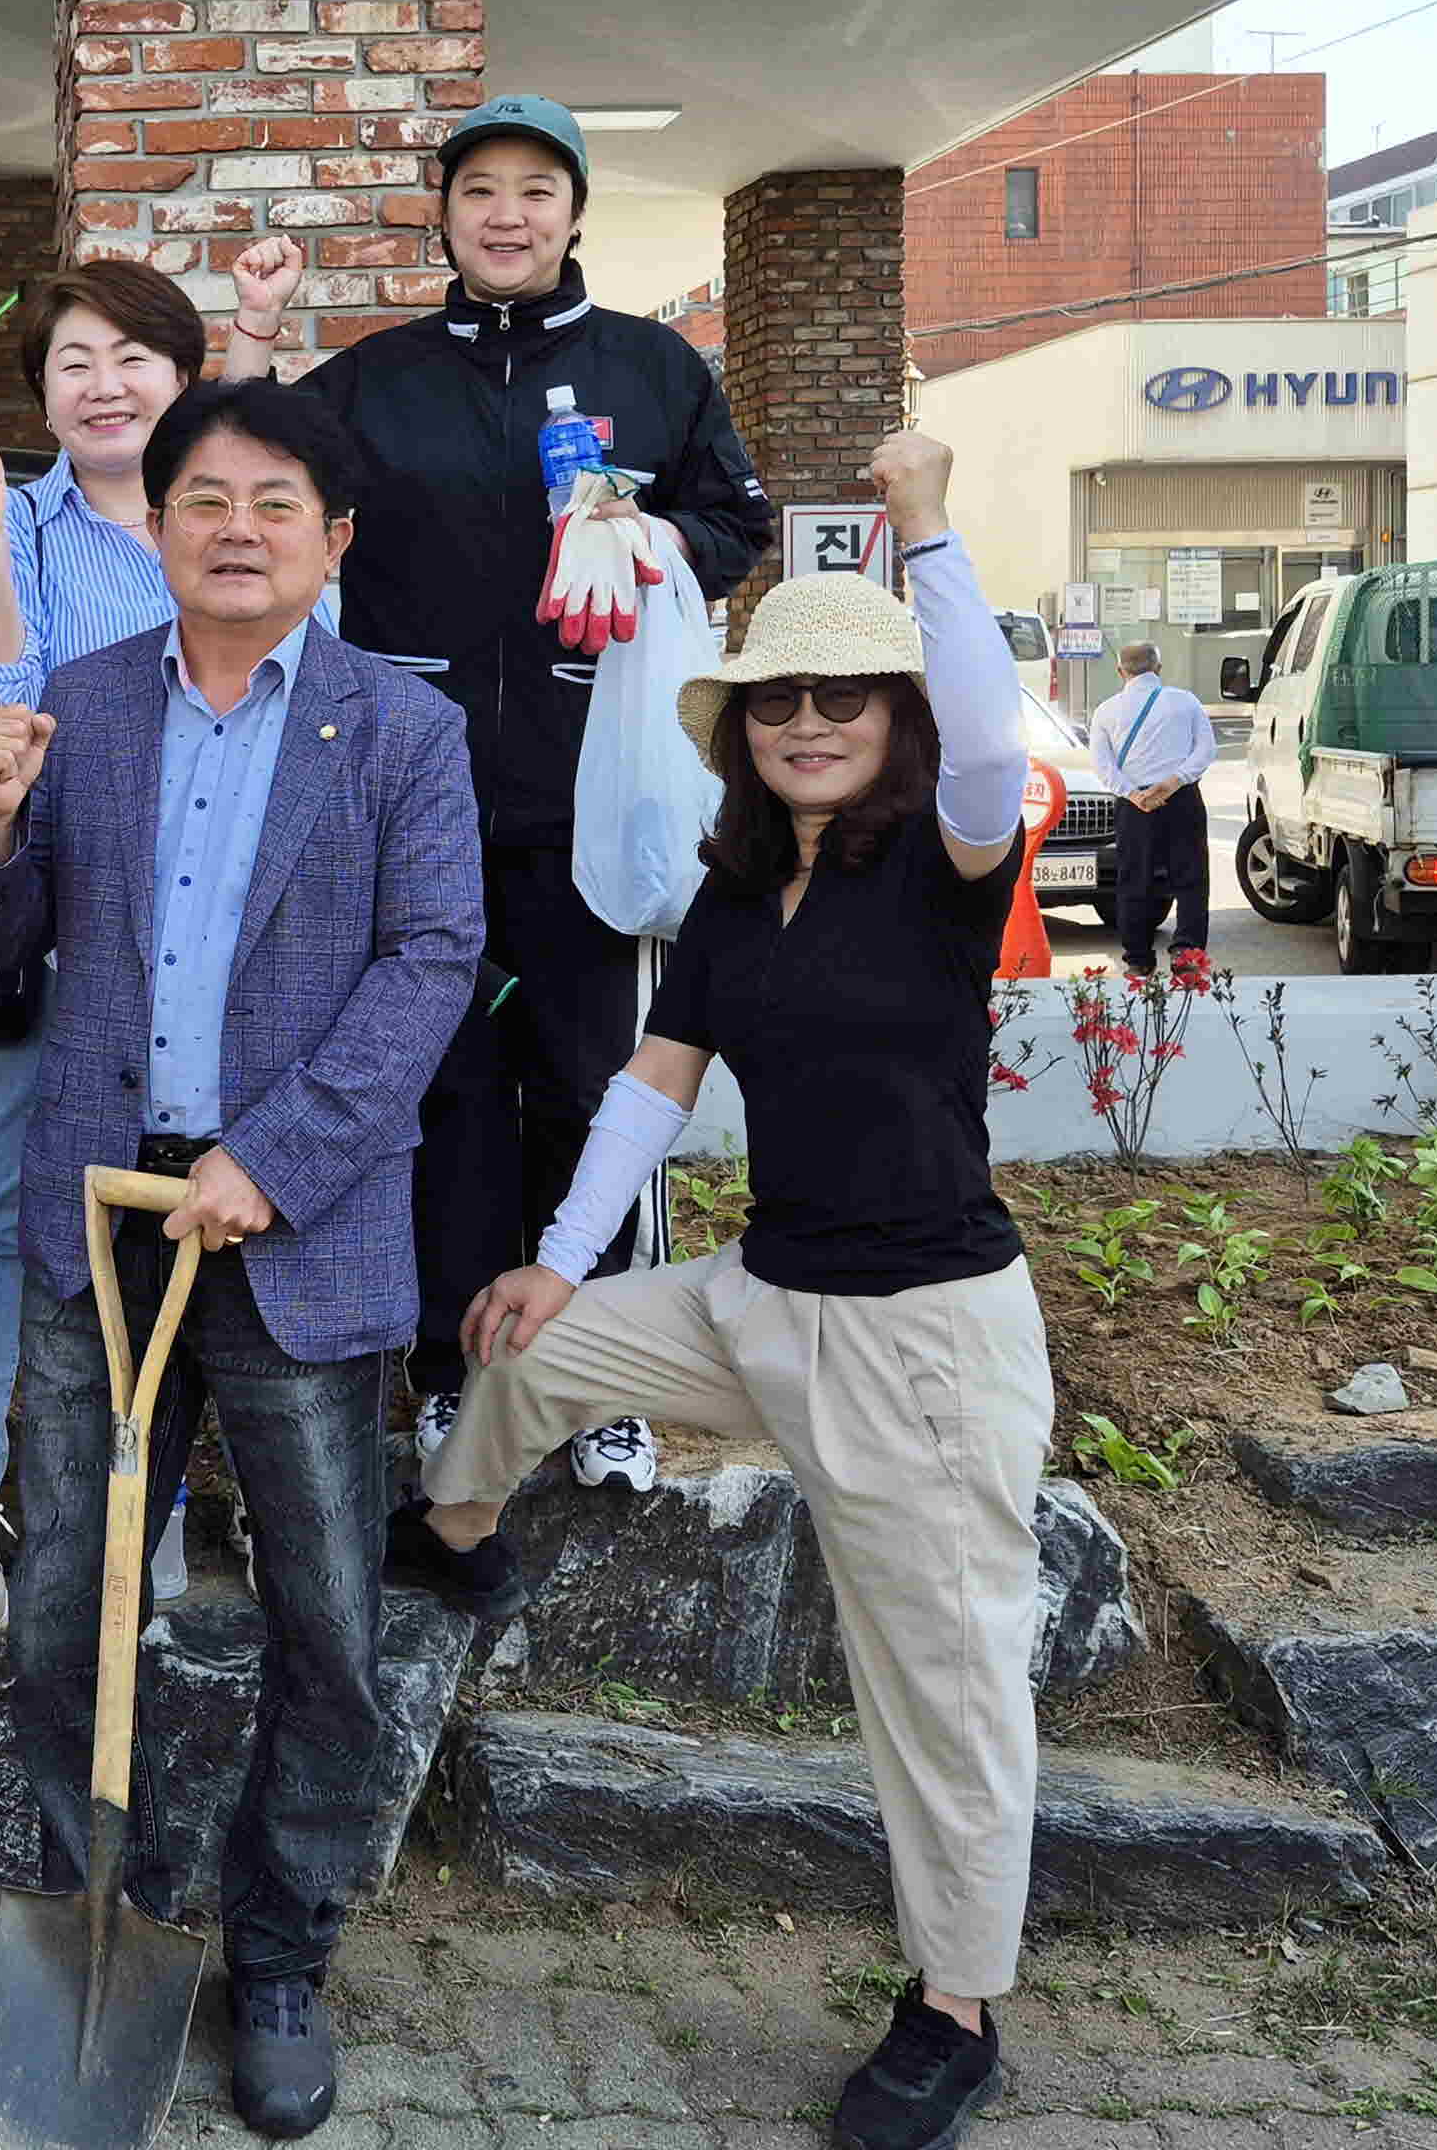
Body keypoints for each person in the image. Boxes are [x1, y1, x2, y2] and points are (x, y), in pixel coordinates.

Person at [395, 432, 1049, 2150]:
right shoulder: (738, 888)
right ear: (740, 729)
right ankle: (452, 1534)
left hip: (919, 1341)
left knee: (941, 1681)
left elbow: (989, 737)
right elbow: (647, 1083)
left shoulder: (945, 860)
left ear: (891, 715)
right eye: (777, 700)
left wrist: (930, 529)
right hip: (756, 1296)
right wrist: (552, 1260)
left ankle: (954, 2006)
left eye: (844, 694)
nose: (808, 720)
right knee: (521, 1349)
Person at [0, 378, 480, 2139]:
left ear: (332, 540)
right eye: (200, 498)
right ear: (155, 528)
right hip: (94, 1219)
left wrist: (280, 1152)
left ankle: (277, 1948)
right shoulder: (80, 707)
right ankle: (89, 1915)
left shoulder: (398, 730)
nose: (233, 525)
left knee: (323, 1617)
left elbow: (432, 963)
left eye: (273, 499)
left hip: (291, 1229)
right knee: (59, 1609)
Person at [223, 94, 773, 1486]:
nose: (509, 213)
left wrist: (641, 536)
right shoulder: (373, 381)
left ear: (574, 210)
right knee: (441, 1089)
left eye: (537, 188)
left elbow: (736, 517)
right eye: (480, 190)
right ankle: (444, 1368)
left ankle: (605, 1375)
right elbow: (257, 486)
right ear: (446, 214)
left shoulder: (652, 368)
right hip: (413, 799)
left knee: (595, 1088)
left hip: (597, 796)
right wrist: (254, 335)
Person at [0, 258, 208, 1640]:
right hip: (52, 912)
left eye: (131, 357)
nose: (101, 384)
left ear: (181, 377)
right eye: (72, 360)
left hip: (209, 921)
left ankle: (153, 1496)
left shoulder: (229, 512)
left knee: (185, 1208)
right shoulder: (8, 521)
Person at [1088, 641, 1216, 974]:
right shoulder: (1185, 702)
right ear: (1158, 669)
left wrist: (1134, 794)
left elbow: (1103, 767)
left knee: (1134, 880)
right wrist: (1173, 782)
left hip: (1134, 808)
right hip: (1182, 799)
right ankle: (1186, 954)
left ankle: (1139, 960)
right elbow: (1205, 750)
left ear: (1120, 672)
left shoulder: (1105, 711)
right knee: (1190, 877)